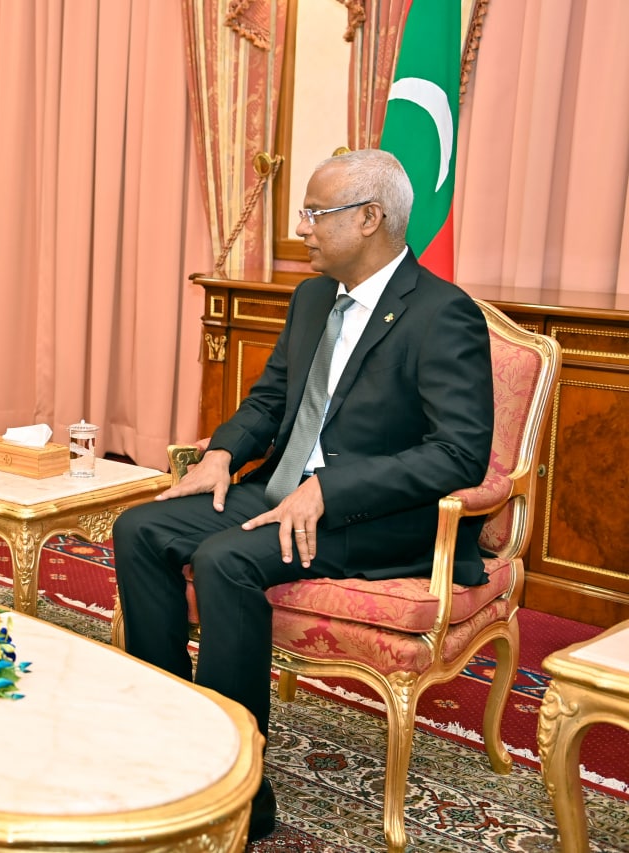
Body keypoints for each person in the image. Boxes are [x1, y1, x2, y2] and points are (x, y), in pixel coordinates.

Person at [112, 149, 494, 842]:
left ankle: (237, 789)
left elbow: (458, 451)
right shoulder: (314, 296)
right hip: (279, 491)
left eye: (317, 212)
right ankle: (165, 736)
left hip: (376, 515)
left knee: (227, 559)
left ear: (371, 218)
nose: (304, 226)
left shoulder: (443, 313)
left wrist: (332, 489)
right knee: (142, 528)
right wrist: (225, 452)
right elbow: (270, 399)